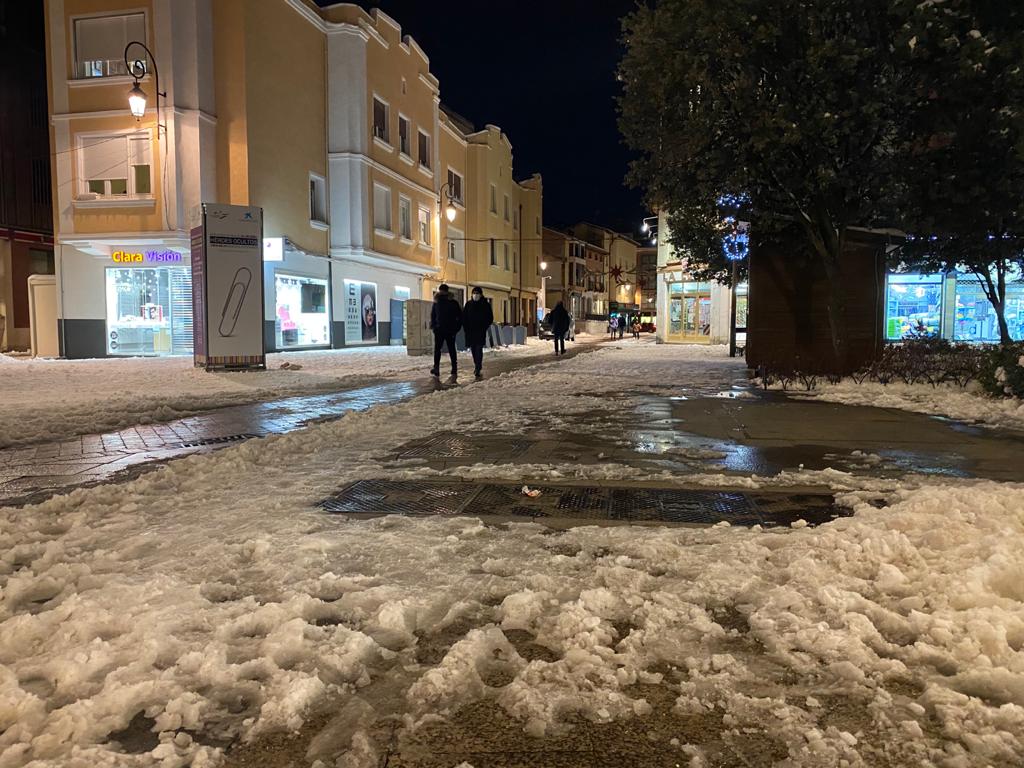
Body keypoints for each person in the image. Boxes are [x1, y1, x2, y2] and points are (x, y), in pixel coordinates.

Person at [430, 283, 462, 382]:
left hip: (445, 330)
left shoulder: (441, 302)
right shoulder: (441, 302)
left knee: (443, 349)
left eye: (442, 290)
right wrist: (456, 328)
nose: (442, 292)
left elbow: (459, 317)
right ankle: (448, 369)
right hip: (445, 330)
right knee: (448, 349)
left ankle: (441, 368)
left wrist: (435, 326)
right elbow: (433, 315)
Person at [462, 286, 493, 379]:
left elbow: (490, 318)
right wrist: (465, 327)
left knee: (478, 348)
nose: (475, 295)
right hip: (470, 331)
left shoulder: (485, 305)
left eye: (477, 293)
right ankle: (477, 364)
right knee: (473, 349)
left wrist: (484, 326)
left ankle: (478, 367)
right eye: (474, 293)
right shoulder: (468, 304)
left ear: (481, 294)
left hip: (480, 331)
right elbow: (464, 317)